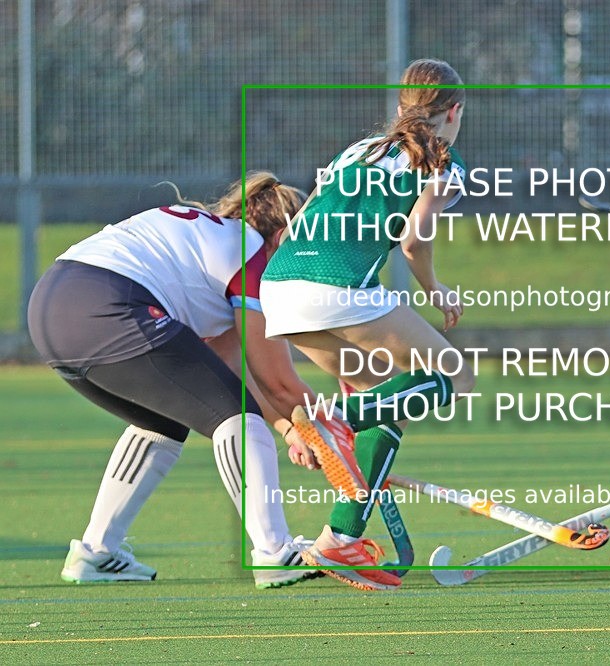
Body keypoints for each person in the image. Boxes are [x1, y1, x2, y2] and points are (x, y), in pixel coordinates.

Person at [28, 172, 327, 589]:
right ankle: (274, 552)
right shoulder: (253, 255)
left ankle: (95, 553)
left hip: (52, 308)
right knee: (237, 416)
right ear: (280, 236)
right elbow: (277, 382)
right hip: (109, 302)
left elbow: (228, 374)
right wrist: (328, 433)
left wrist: (291, 430)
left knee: (164, 420)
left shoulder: (213, 244)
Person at [260, 58, 474, 592]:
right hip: (339, 286)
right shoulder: (442, 161)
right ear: (455, 111)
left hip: (281, 283)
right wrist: (435, 289)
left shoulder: (357, 150)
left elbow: (306, 215)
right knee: (454, 374)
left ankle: (341, 539)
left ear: (402, 104)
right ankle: (338, 419)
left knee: (390, 398)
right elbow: (414, 241)